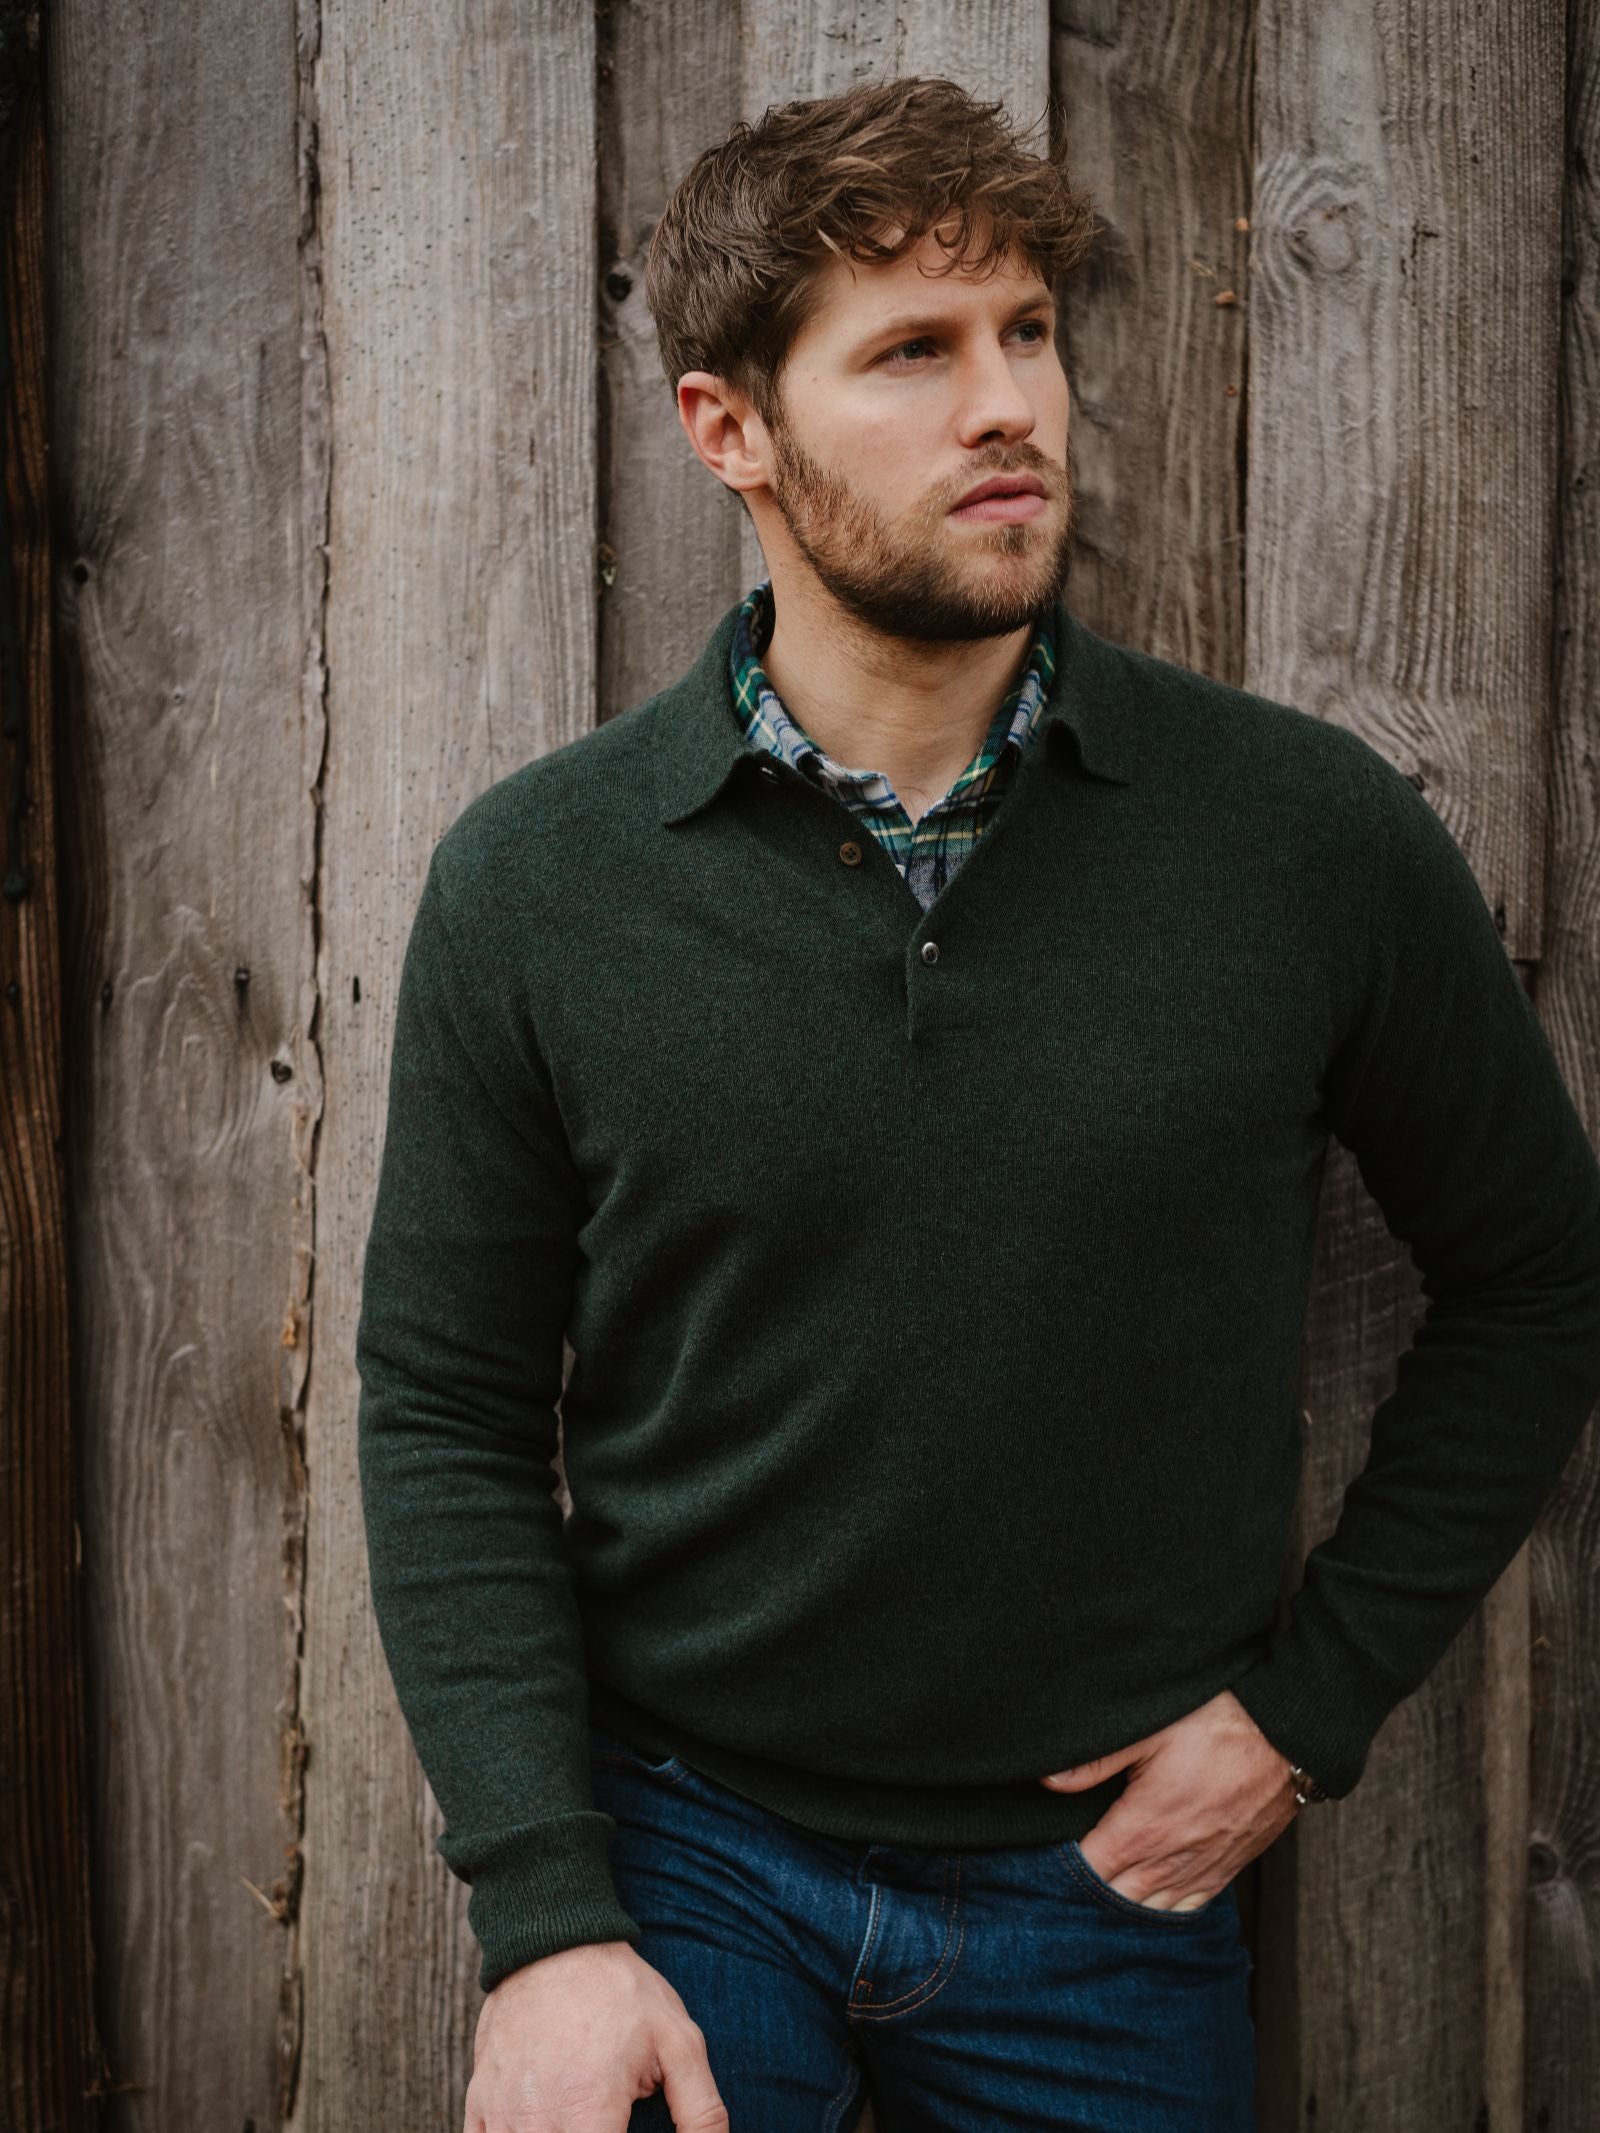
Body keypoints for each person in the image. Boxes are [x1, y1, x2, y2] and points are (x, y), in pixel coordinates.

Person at [354, 74, 1600, 2133]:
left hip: (1102, 1899)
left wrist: (1300, 1711)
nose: (1004, 401)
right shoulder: (543, 881)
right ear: (725, 430)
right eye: (912, 353)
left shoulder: (1296, 837)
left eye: (1024, 332)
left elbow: (1539, 1278)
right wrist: (546, 1913)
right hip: (685, 1858)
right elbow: (443, 1405)